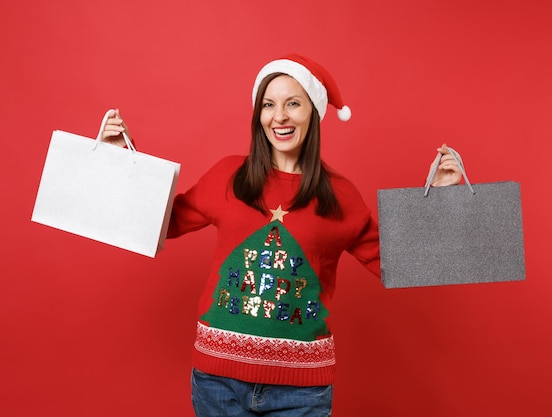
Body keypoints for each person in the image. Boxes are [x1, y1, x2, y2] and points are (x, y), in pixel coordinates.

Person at [100, 54, 463, 417]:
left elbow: (400, 261)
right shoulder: (228, 176)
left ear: (314, 113)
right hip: (217, 382)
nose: (280, 116)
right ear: (259, 115)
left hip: (302, 392)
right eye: (269, 105)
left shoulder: (340, 195)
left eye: (293, 103)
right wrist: (120, 162)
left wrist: (445, 202)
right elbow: (159, 224)